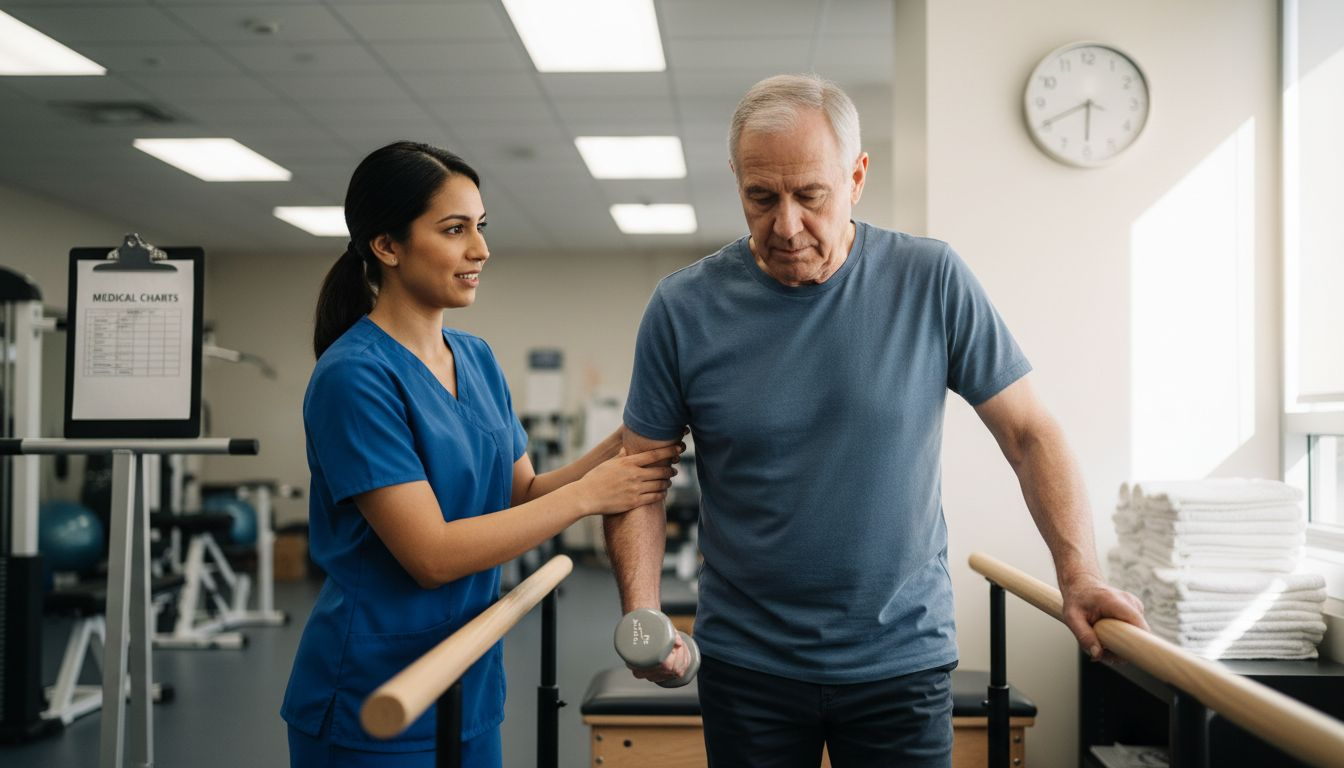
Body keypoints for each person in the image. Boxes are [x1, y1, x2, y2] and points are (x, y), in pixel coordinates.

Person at [604, 75, 1149, 767]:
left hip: (901, 660)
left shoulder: (931, 279)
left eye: (810, 196)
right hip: (750, 665)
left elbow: (1029, 434)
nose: (786, 225)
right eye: (761, 198)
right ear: (737, 183)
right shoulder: (683, 308)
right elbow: (638, 478)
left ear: (856, 177)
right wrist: (643, 612)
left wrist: (1079, 574)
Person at [280, 141, 681, 768]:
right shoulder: (354, 377)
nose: (480, 249)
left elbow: (521, 496)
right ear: (386, 246)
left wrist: (626, 443)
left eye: (481, 226)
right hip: (377, 690)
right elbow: (431, 556)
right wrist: (589, 497)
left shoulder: (477, 358)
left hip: (470, 673)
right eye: (454, 229)